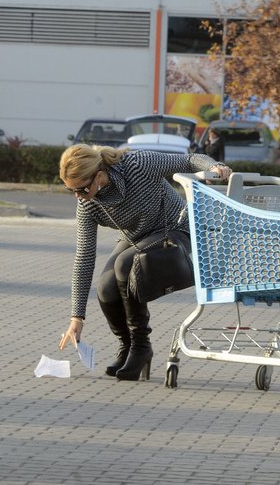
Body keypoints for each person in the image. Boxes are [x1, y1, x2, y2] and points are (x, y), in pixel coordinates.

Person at [57, 144, 231, 381]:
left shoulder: (138, 165)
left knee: (125, 265)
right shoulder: (88, 204)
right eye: (71, 191)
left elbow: (190, 160)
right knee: (105, 288)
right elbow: (84, 257)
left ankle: (141, 347)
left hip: (176, 229)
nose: (78, 196)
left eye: (81, 189)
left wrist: (214, 166)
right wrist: (77, 317)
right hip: (138, 238)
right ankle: (128, 346)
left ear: (98, 175)